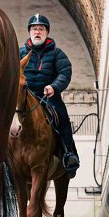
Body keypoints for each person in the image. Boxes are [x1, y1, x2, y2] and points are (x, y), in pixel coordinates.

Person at [20, 14, 79, 176]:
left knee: (62, 117)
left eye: (41, 29)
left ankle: (69, 154)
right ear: (30, 32)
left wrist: (54, 87)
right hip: (24, 96)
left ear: (46, 32)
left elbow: (65, 73)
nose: (37, 32)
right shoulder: (19, 53)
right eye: (34, 29)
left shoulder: (57, 53)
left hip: (48, 96)